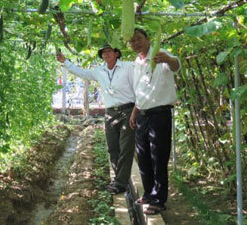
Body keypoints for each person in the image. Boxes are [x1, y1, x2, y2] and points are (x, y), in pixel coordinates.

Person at [56, 44, 135, 194]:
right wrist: (65, 61)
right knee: (113, 147)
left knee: (126, 148)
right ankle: (119, 178)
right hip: (110, 112)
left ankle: (120, 183)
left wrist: (137, 110)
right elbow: (82, 73)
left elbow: (139, 83)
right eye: (103, 53)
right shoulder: (100, 71)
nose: (106, 54)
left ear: (117, 53)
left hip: (128, 110)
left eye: (109, 51)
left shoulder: (128, 67)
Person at [128, 28, 180, 215]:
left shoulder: (160, 54)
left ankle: (159, 199)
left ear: (148, 39)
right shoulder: (137, 61)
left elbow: (175, 65)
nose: (136, 43)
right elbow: (140, 90)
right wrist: (135, 112)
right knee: (143, 157)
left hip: (160, 115)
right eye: (132, 41)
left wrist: (168, 59)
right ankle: (149, 193)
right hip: (142, 114)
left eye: (139, 39)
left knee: (158, 157)